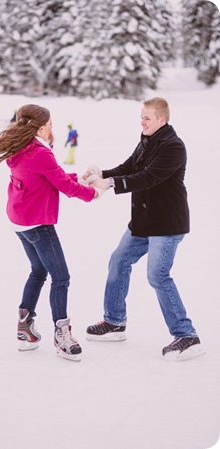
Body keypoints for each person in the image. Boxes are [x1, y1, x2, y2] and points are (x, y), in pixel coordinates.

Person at [83, 97, 204, 361]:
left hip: (166, 224)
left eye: (147, 118)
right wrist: (102, 175)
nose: (142, 122)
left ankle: (187, 335)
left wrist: (111, 184)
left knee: (158, 276)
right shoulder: (147, 140)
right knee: (118, 260)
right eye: (141, 117)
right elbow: (130, 168)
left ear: (162, 119)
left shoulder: (173, 146)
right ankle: (114, 322)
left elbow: (149, 177)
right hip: (144, 223)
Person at [0, 104, 100, 362]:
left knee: (38, 271)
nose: (52, 129)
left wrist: (80, 177)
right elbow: (62, 184)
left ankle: (25, 329)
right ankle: (62, 334)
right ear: (41, 127)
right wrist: (93, 193)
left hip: (20, 220)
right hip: (37, 223)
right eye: (51, 125)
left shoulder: (22, 147)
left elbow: (51, 176)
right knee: (61, 276)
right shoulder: (39, 153)